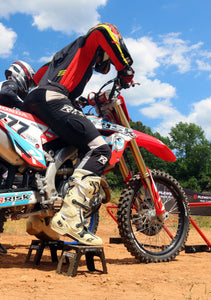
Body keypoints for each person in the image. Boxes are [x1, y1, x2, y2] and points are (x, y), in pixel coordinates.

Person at [23, 23, 134, 246]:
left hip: (36, 100)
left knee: (58, 156)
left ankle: (39, 216)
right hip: (54, 98)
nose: (105, 65)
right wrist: (125, 69)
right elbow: (103, 30)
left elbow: (41, 75)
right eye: (108, 60)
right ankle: (70, 217)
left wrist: (77, 101)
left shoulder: (62, 55)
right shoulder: (87, 43)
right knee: (99, 149)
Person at [0, 60, 36, 253]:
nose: (27, 88)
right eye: (29, 83)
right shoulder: (8, 84)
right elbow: (7, 93)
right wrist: (27, 107)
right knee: (4, 179)